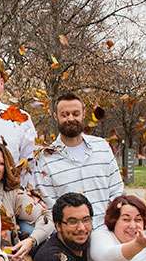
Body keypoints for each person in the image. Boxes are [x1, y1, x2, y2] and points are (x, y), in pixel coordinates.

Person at [32, 92, 123, 231]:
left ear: (83, 114)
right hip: (71, 234)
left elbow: (116, 190)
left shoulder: (102, 147)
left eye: (75, 114)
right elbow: (50, 206)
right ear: (56, 116)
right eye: (65, 114)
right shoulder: (45, 158)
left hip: (106, 229)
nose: (70, 118)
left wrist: (111, 223)